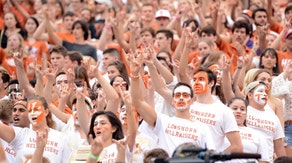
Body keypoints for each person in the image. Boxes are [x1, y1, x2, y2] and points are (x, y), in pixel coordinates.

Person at [129, 52, 215, 156]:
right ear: (173, 100)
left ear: (192, 100)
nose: (181, 98)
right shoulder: (162, 121)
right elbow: (138, 102)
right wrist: (134, 75)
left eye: (185, 95)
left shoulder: (202, 127)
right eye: (178, 95)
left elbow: (211, 155)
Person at [0, 95, 71, 162]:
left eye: (36, 109)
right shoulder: (20, 134)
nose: (33, 113)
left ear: (46, 112)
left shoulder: (61, 138)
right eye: (30, 111)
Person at [244, 81, 285, 162]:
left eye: (266, 92)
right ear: (250, 95)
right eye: (260, 91)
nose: (265, 94)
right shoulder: (243, 112)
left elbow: (279, 146)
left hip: (267, 160)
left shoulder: (274, 117)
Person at [225, 97, 269, 162]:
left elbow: (264, 160)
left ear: (246, 114)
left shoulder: (256, 135)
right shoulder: (220, 132)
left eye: (242, 109)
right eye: (235, 108)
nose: (238, 111)